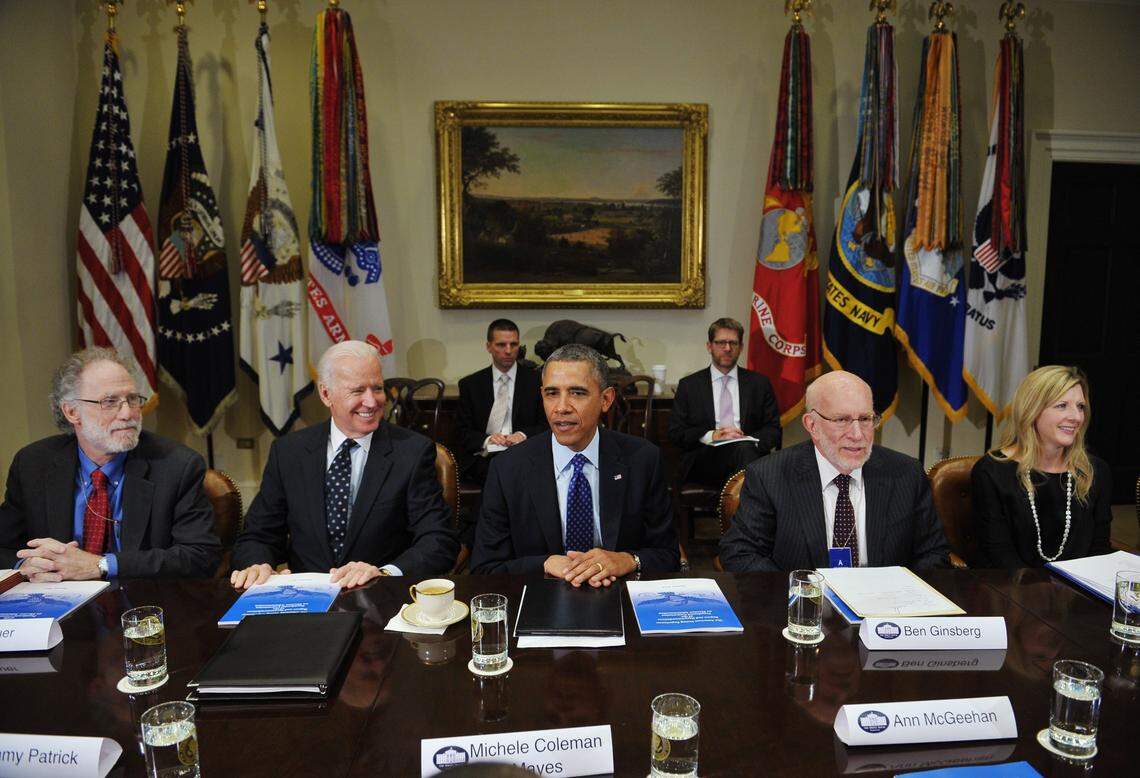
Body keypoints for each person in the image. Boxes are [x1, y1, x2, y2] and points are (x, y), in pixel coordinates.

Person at [230, 340, 458, 589]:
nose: (372, 402)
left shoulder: (412, 452)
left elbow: (438, 540)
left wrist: (384, 573)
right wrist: (258, 565)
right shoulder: (288, 452)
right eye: (358, 391)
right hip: (307, 602)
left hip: (381, 598)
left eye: (377, 388)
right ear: (326, 394)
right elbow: (257, 535)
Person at [0, 348, 220, 579]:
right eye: (110, 402)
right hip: (55, 602)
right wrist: (27, 565)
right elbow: (4, 547)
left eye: (132, 399)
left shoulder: (176, 466)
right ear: (72, 412)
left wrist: (102, 565)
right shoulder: (33, 464)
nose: (127, 413)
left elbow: (200, 556)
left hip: (141, 606)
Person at [470, 344, 679, 585]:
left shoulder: (643, 460)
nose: (561, 408)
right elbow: (484, 568)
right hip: (541, 599)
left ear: (606, 399)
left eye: (577, 393)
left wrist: (628, 560)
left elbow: (669, 555)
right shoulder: (507, 468)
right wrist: (544, 563)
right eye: (551, 393)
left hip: (619, 594)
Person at [718, 370, 949, 571]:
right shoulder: (770, 476)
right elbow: (740, 553)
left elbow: (934, 554)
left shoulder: (905, 473)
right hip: (804, 609)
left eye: (866, 419)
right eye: (842, 420)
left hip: (885, 614)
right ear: (811, 425)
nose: (858, 434)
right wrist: (803, 593)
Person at [971, 365, 1112, 568]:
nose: (1076, 417)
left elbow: (1099, 550)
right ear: (1032, 410)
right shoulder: (991, 472)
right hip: (1011, 591)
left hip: (1078, 593)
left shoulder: (1095, 471)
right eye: (1062, 405)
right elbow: (998, 556)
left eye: (1080, 406)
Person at [454, 319, 545, 543]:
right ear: (488, 346)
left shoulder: (536, 381)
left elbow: (547, 425)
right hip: (483, 457)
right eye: (501, 345)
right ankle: (492, 538)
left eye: (513, 345)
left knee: (509, 469)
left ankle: (481, 538)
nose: (508, 351)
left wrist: (522, 436)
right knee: (499, 468)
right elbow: (461, 431)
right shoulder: (471, 384)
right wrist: (486, 439)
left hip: (523, 453)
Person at [668, 317, 781, 489]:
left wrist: (750, 441)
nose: (727, 348)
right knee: (747, 461)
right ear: (709, 346)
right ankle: (747, 513)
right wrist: (711, 435)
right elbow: (676, 432)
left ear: (741, 347)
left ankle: (739, 511)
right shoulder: (689, 385)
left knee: (744, 450)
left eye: (733, 343)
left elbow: (773, 430)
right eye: (721, 343)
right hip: (706, 460)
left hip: (749, 455)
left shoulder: (759, 384)